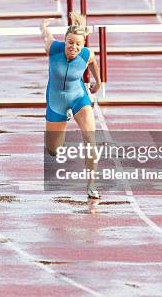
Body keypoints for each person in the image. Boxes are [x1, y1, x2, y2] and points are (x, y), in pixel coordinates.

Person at [40, 12, 103, 199]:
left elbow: (93, 62)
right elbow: (46, 36)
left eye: (78, 44)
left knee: (90, 138)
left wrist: (98, 82)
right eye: (70, 43)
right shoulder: (53, 48)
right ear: (65, 41)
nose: (73, 47)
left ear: (83, 44)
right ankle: (63, 119)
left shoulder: (86, 53)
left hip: (78, 97)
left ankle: (91, 184)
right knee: (53, 150)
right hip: (56, 100)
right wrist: (43, 27)